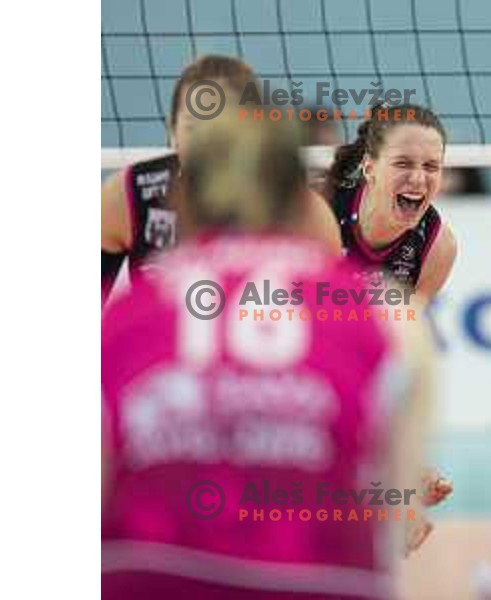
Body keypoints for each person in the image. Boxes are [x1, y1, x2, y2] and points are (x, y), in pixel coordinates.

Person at [102, 110, 437, 599]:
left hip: (154, 576)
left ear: (186, 205)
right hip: (322, 580)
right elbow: (401, 517)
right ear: (303, 201)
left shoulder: (124, 320)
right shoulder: (387, 315)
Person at [101, 54, 341, 304]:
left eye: (224, 131)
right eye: (195, 128)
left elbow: (333, 320)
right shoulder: (129, 195)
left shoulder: (306, 215)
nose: (209, 147)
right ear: (172, 132)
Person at [324, 103, 457, 301]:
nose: (418, 179)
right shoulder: (320, 211)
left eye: (431, 166)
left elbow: (402, 327)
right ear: (369, 169)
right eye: (403, 164)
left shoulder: (439, 246)